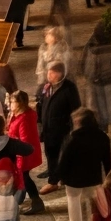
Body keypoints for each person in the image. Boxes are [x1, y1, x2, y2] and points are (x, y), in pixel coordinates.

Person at [58, 108, 111, 221]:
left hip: (73, 179)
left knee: (73, 200)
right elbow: (107, 159)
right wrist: (107, 175)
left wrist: (60, 177)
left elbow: (64, 160)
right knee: (96, 203)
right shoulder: (102, 136)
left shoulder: (72, 138)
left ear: (78, 121)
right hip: (94, 177)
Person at [37, 61, 81, 196]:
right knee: (50, 154)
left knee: (61, 154)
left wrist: (75, 128)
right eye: (48, 72)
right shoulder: (47, 87)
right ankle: (56, 177)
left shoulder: (69, 88)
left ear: (60, 73)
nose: (48, 75)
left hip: (62, 129)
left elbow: (76, 109)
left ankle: (54, 181)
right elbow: (41, 102)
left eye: (51, 72)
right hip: (48, 128)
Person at [6, 91, 44, 215]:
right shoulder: (17, 115)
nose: (10, 104)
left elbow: (25, 140)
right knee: (23, 176)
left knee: (25, 177)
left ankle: (37, 202)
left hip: (23, 154)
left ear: (20, 103)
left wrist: (18, 157)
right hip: (20, 152)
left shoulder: (24, 118)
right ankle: (21, 197)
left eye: (13, 102)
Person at [80, 23, 111, 131]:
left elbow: (86, 62)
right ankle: (104, 127)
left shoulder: (91, 46)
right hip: (109, 78)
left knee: (97, 105)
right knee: (106, 106)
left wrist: (87, 75)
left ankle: (100, 127)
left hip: (96, 80)